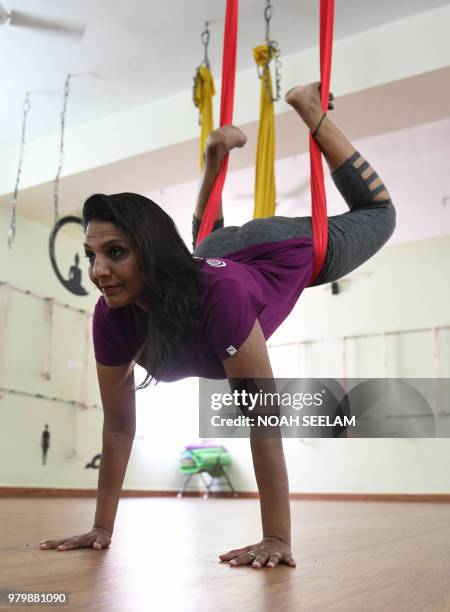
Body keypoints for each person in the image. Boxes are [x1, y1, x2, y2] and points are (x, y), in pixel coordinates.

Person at [40, 82, 395, 568]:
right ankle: (215, 155)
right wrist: (101, 528)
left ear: (146, 252)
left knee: (380, 213)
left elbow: (262, 417)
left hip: (279, 249)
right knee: (201, 252)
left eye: (115, 252)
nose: (98, 271)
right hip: (214, 252)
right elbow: (119, 428)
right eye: (92, 255)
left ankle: (310, 111)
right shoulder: (112, 314)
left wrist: (277, 537)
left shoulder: (218, 298)